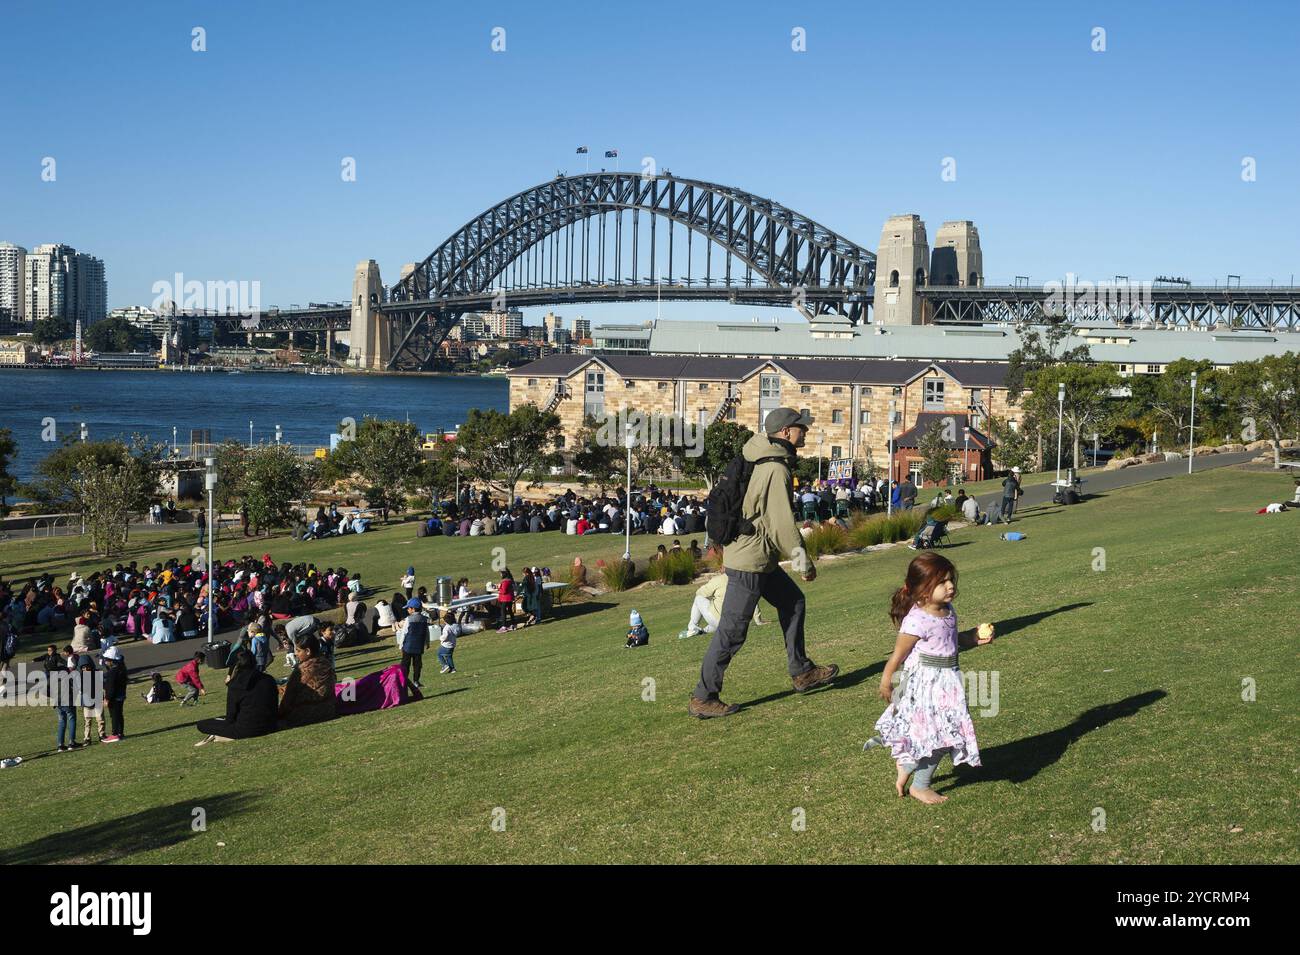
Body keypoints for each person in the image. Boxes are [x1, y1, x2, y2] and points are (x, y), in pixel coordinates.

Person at [690, 408, 838, 718]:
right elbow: (782, 525)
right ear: (786, 432)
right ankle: (703, 696)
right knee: (732, 631)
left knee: (793, 602)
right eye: (802, 428)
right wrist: (803, 563)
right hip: (750, 559)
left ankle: (802, 671)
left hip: (757, 554)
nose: (806, 432)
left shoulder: (757, 453)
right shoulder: (776, 468)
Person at [864, 552, 992, 804]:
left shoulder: (947, 610)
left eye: (950, 579)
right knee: (945, 736)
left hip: (948, 682)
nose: (951, 585)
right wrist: (885, 681)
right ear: (923, 590)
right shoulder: (916, 620)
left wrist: (974, 638)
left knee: (938, 734)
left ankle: (908, 764)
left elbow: (951, 642)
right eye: (942, 582)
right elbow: (896, 656)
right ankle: (920, 786)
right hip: (927, 686)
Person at [195, 649, 279, 746]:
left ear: (236, 666)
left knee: (201, 724)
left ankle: (220, 736)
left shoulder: (235, 685)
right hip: (271, 725)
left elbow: (231, 716)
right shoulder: (269, 679)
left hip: (246, 729)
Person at [680, 574, 766, 639]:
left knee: (698, 598)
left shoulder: (720, 579)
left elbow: (700, 592)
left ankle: (692, 627)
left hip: (718, 620)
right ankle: (701, 631)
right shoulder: (744, 581)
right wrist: (758, 621)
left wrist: (713, 596)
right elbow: (753, 602)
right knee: (713, 626)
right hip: (734, 624)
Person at [278, 634, 336, 728]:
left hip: (306, 714)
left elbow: (288, 697)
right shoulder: (326, 663)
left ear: (308, 651)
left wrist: (279, 715)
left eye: (298, 650)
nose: (295, 654)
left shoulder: (302, 670)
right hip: (329, 710)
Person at [398, 598, 429, 688]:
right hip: (419, 646)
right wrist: (427, 642)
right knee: (417, 664)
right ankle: (416, 680)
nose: (407, 610)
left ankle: (403, 680)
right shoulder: (424, 619)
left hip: (408, 646)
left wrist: (401, 644)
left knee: (405, 664)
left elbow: (404, 632)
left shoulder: (408, 619)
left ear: (413, 609)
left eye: (408, 608)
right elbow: (427, 632)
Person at [100, 646, 128, 742]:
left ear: (111, 660)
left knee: (114, 715)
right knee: (119, 714)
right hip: (121, 695)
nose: (105, 662)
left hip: (114, 697)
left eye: (106, 660)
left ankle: (115, 734)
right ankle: (120, 733)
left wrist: (107, 698)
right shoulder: (121, 668)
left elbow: (110, 687)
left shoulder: (112, 672)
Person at [495, 569, 516, 633]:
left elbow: (504, 591)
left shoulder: (505, 581)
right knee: (510, 611)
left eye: (501, 573)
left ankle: (504, 626)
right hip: (509, 598)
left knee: (503, 613)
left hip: (505, 599)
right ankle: (513, 624)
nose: (500, 575)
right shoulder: (510, 580)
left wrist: (498, 589)